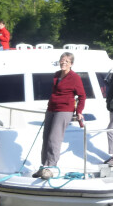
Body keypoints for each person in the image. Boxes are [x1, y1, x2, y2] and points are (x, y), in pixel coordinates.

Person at [34, 52, 86, 180]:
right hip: (51, 109)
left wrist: (79, 111)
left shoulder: (75, 78)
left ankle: (51, 168)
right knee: (46, 137)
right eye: (62, 60)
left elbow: (82, 96)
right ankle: (44, 166)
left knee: (54, 138)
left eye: (67, 61)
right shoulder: (57, 75)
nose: (63, 63)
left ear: (71, 64)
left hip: (64, 109)